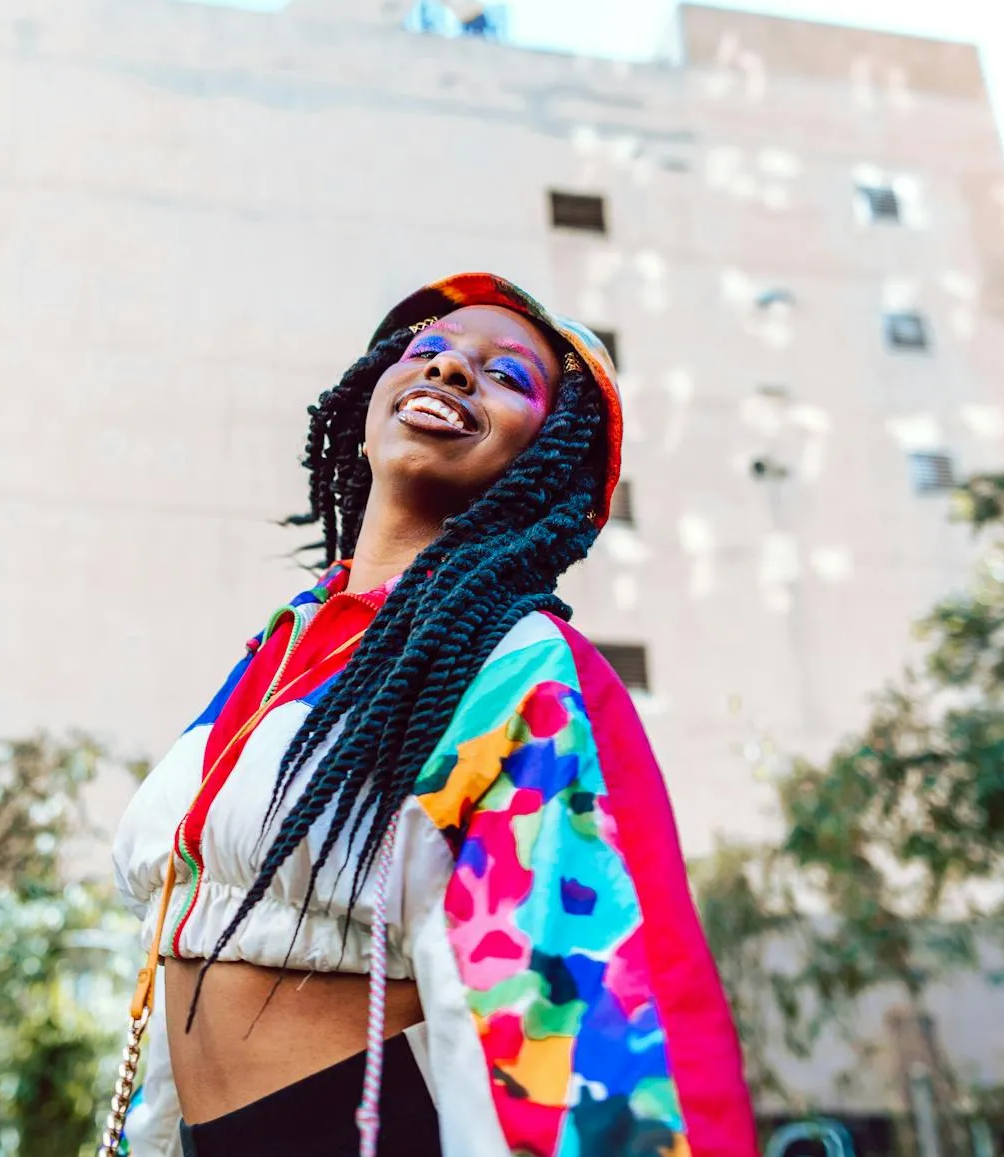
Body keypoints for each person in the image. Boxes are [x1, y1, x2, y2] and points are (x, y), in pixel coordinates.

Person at [110, 273, 756, 1157]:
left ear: (549, 455)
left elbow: (588, 1006)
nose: (452, 369)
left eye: (507, 375)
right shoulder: (286, 643)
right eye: (428, 352)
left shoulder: (518, 667)